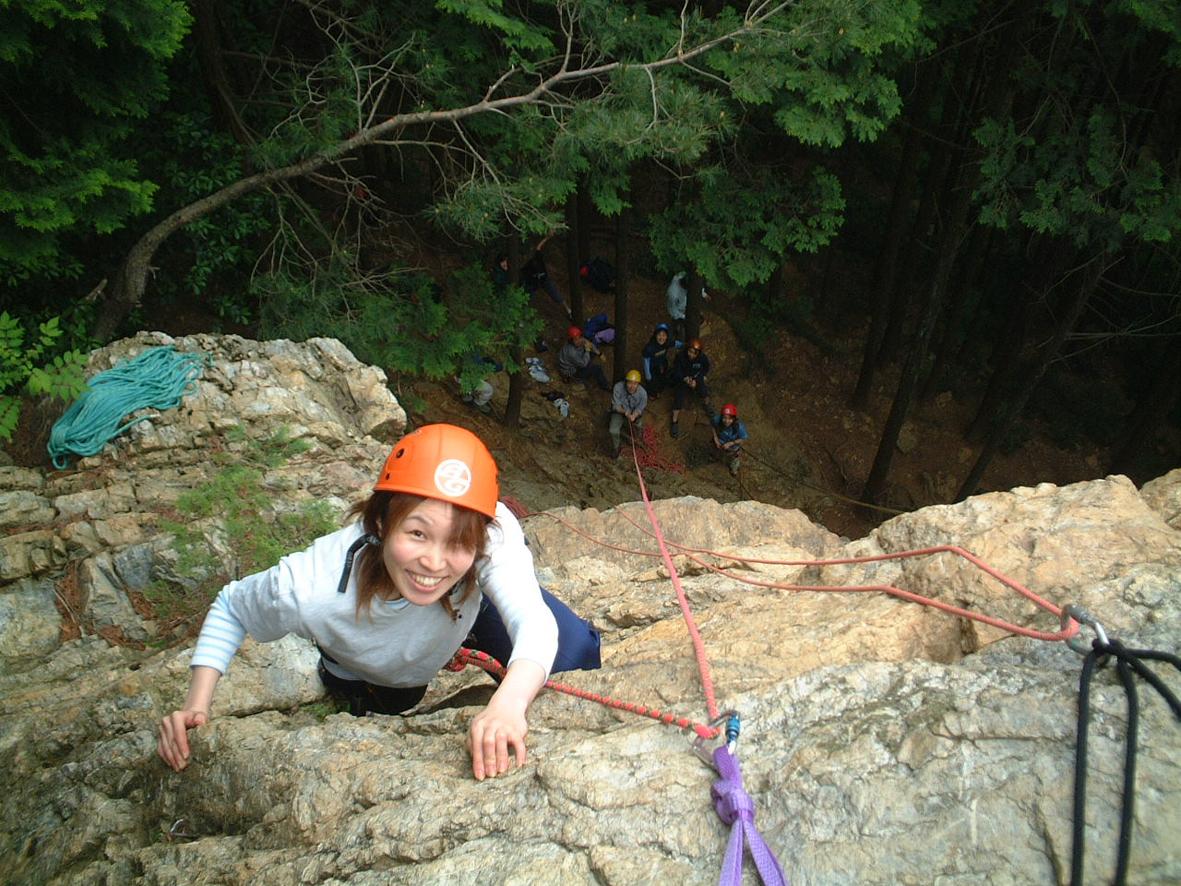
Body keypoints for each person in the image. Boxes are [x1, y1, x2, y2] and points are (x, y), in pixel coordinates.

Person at [157, 424, 601, 781]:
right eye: (417, 533)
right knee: (397, 697)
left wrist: (507, 704)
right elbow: (232, 606)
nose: (434, 560)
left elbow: (534, 622)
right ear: (382, 520)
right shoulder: (311, 587)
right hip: (375, 664)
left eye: (458, 541)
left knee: (575, 652)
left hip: (467, 606)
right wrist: (197, 705)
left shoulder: (491, 531)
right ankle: (347, 678)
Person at [669, 337, 712, 439]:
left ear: (698, 353)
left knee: (704, 390)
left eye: (694, 353)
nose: (691, 355)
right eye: (690, 351)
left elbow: (705, 368)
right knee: (678, 397)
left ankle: (708, 405)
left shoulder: (702, 358)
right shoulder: (680, 357)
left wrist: (697, 379)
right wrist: (685, 379)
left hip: (695, 377)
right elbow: (676, 371)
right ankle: (674, 421)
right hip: (683, 379)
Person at [521, 234, 572, 318]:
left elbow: (539, 247)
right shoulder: (526, 269)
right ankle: (524, 316)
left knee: (556, 295)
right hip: (532, 284)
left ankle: (569, 310)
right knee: (527, 299)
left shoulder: (538, 257)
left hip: (544, 280)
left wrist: (548, 237)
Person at [557, 326, 610, 391]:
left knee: (593, 346)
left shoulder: (580, 340)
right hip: (571, 371)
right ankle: (605, 386)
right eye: (576, 339)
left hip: (578, 360)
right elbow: (583, 364)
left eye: (579, 337)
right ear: (571, 340)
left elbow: (590, 344)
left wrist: (600, 354)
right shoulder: (571, 352)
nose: (579, 340)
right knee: (597, 368)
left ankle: (588, 368)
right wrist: (587, 350)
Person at [609, 369, 648, 458]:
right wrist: (625, 412)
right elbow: (615, 405)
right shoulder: (618, 387)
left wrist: (634, 415)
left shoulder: (643, 394)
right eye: (629, 383)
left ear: (638, 384)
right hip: (620, 412)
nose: (632, 386)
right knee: (613, 430)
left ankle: (637, 436)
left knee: (639, 425)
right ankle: (616, 447)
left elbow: (640, 408)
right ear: (625, 382)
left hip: (634, 413)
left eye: (635, 384)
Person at [641, 322, 680, 398]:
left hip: (661, 364)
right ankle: (652, 394)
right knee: (651, 382)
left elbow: (676, 343)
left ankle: (659, 389)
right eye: (659, 335)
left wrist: (685, 345)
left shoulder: (667, 342)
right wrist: (648, 375)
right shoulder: (650, 348)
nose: (661, 338)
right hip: (651, 367)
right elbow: (646, 361)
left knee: (662, 379)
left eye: (664, 335)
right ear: (655, 335)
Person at [666, 272, 707, 341]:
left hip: (687, 306)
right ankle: (675, 337)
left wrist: (704, 294)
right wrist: (684, 316)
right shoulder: (673, 293)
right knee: (678, 325)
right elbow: (673, 310)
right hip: (678, 311)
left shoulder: (681, 275)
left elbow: (697, 286)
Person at [711, 403, 749, 476]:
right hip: (720, 441)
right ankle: (715, 457)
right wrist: (715, 438)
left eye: (730, 419)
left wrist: (731, 443)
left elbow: (743, 438)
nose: (726, 421)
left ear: (733, 419)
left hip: (733, 446)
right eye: (724, 418)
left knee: (734, 457)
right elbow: (713, 426)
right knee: (716, 450)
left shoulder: (739, 427)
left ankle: (734, 468)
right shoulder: (717, 420)